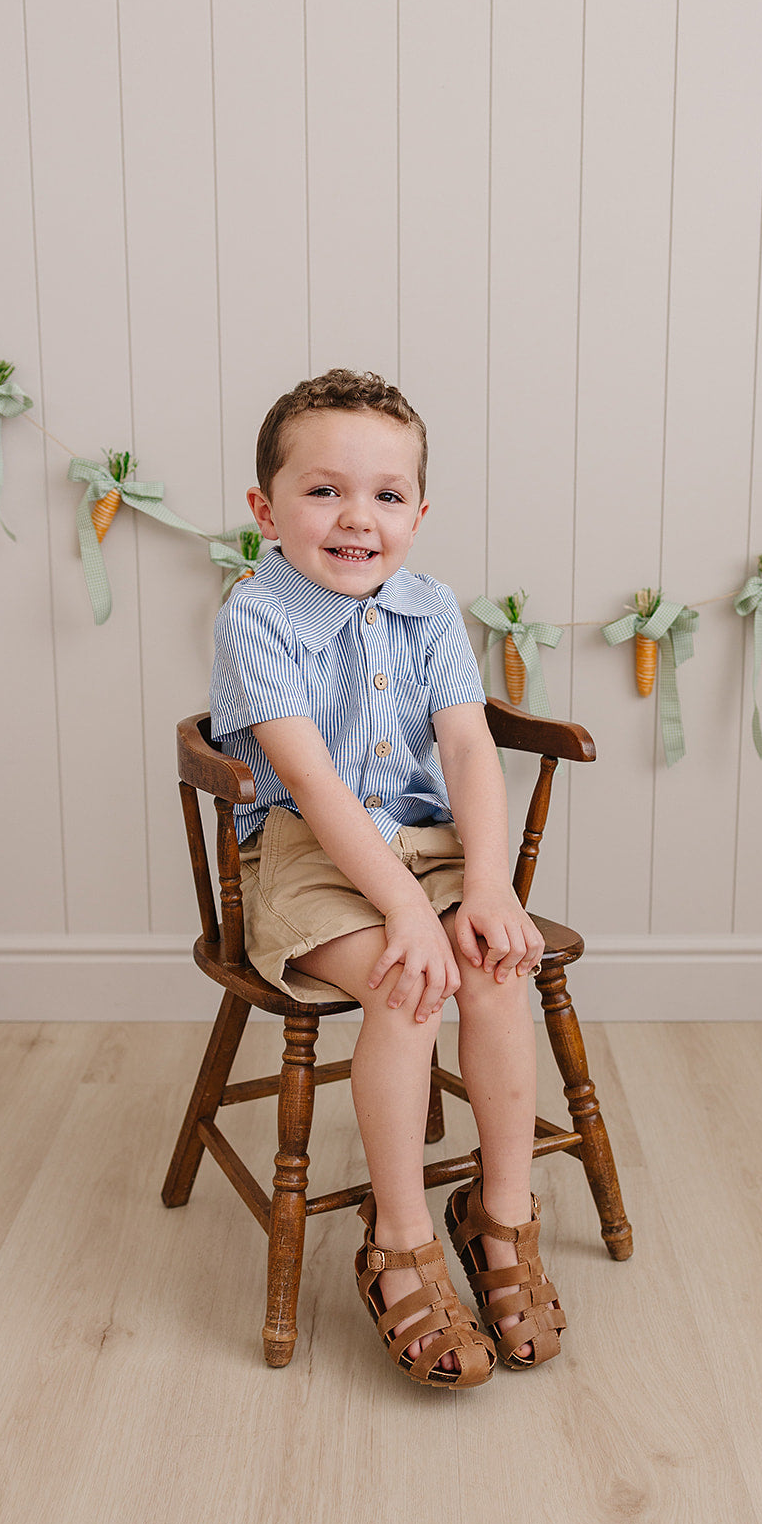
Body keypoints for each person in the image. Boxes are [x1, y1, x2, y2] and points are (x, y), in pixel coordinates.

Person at [210, 369, 565, 1387]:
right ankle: (397, 1238)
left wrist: (485, 888)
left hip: (429, 848)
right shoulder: (255, 615)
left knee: (493, 968)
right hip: (309, 852)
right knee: (410, 984)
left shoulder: (429, 607)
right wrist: (408, 914)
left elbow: (465, 749)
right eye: (322, 491)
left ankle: (499, 1218)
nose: (355, 517)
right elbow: (315, 788)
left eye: (385, 494)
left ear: (418, 510)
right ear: (264, 509)